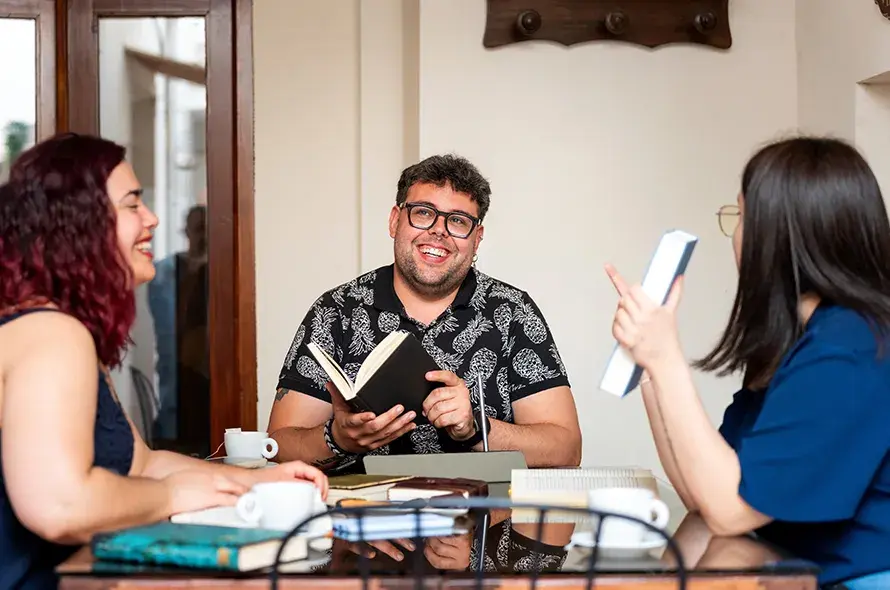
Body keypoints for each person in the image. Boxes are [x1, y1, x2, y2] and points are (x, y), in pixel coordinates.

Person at [0, 133, 328, 589]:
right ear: (75, 223)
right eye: (133, 204)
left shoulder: (63, 331)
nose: (152, 218)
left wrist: (258, 482)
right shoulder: (53, 333)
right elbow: (60, 508)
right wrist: (172, 495)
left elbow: (142, 465)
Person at [605, 136, 890, 589]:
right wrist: (647, 366)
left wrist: (665, 358)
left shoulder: (848, 347)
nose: (735, 233)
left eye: (740, 214)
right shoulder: (798, 343)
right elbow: (698, 491)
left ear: (779, 231)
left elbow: (729, 509)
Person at [269, 154, 581, 472]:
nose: (439, 231)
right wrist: (338, 438)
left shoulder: (513, 312)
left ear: (477, 239)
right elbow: (278, 446)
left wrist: (476, 427)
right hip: (358, 513)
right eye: (423, 213)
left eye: (458, 221)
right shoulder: (335, 311)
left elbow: (566, 449)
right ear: (395, 221)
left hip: (484, 515)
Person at [148, 204, 210, 453]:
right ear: (186, 231)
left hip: (207, 368)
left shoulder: (220, 270)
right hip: (175, 364)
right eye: (197, 229)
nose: (203, 235)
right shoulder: (165, 271)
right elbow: (165, 320)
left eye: (207, 228)